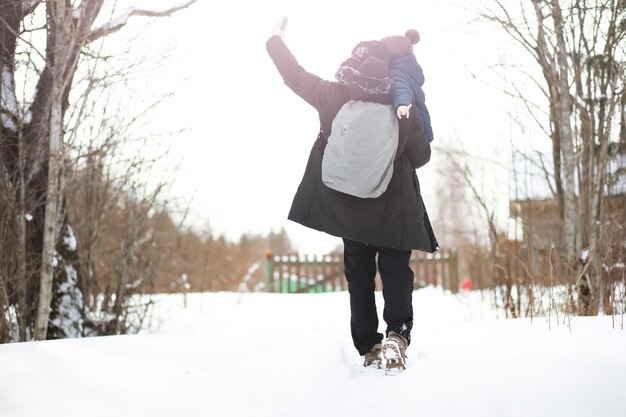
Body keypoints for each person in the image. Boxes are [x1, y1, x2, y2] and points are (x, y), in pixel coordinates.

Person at [266, 21, 438, 372]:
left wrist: (275, 41)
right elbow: (420, 157)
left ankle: (369, 345)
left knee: (359, 273)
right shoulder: (401, 98)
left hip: (349, 206)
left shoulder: (333, 94)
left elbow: (293, 74)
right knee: (396, 269)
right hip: (394, 204)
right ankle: (397, 335)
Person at [381, 29, 434, 143]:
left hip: (412, 125)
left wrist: (402, 104)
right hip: (421, 126)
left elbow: (401, 89)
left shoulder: (395, 72)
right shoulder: (407, 71)